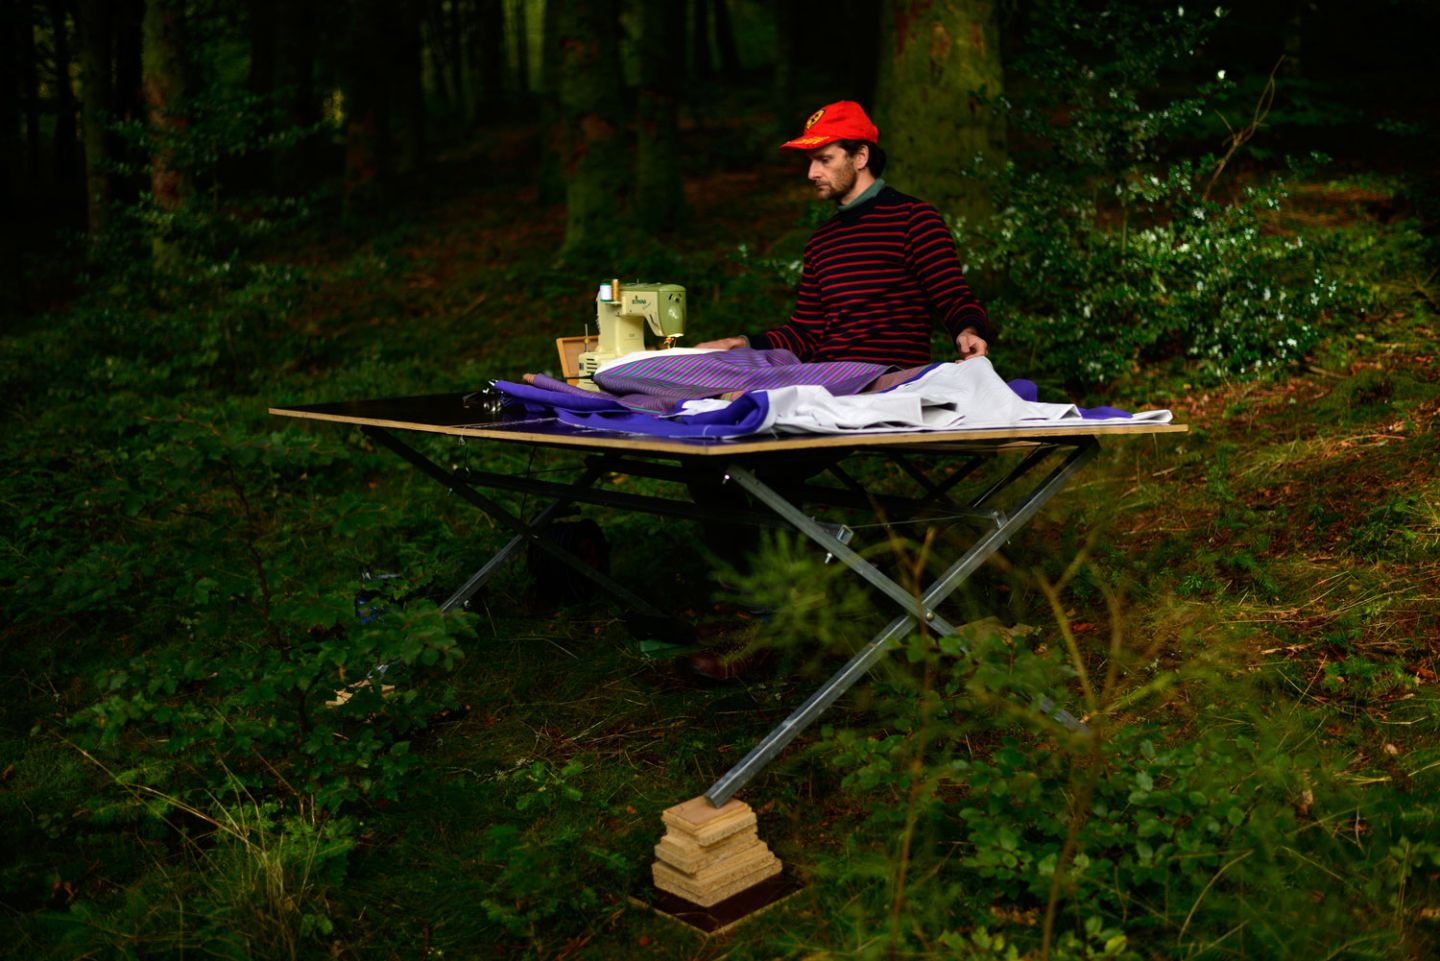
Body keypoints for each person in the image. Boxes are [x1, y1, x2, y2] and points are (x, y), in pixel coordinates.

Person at [695, 99, 993, 368]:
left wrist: (968, 332)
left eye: (824, 159)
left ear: (860, 157)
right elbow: (805, 334)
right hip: (825, 381)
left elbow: (954, 297)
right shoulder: (821, 241)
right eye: (810, 161)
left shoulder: (914, 219)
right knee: (717, 383)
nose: (812, 173)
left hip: (889, 380)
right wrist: (740, 344)